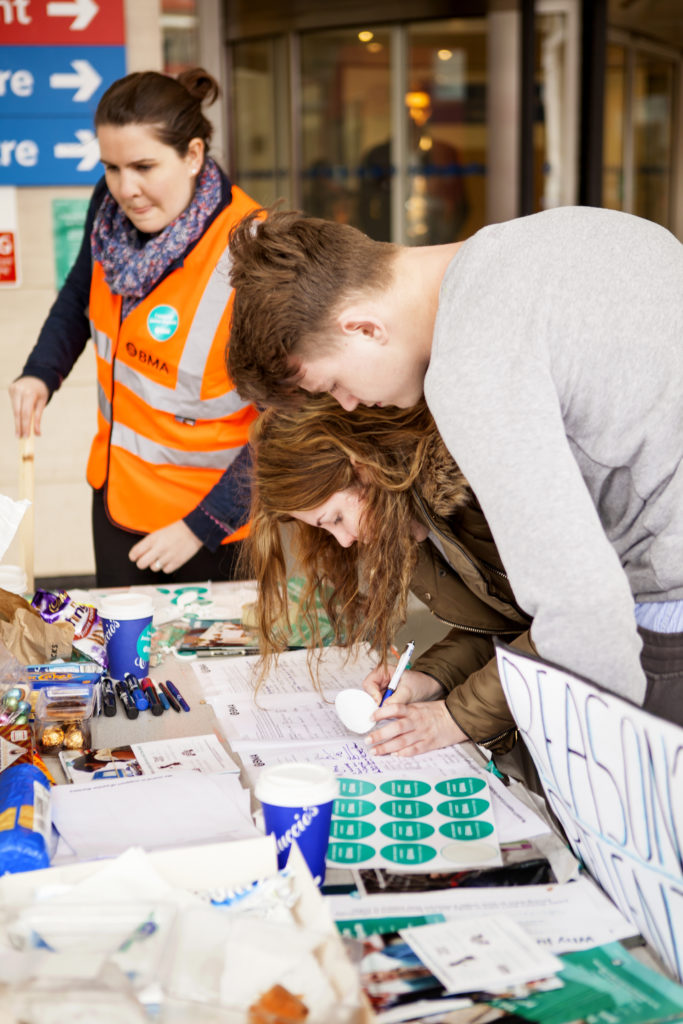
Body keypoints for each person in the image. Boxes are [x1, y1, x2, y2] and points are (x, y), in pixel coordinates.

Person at [227, 206, 683, 724]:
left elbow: (581, 612)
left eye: (332, 384)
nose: (347, 406)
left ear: (363, 327)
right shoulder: (570, 233)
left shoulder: (469, 370)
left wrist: (607, 770)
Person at [10, 68, 260, 587]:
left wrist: (202, 525)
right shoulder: (106, 208)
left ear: (193, 155)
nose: (126, 189)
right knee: (124, 662)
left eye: (144, 166)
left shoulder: (256, 250)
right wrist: (41, 373)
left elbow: (291, 424)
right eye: (111, 167)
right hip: (116, 499)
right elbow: (81, 294)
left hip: (213, 526)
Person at [248, 396, 532, 759]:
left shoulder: (478, 493)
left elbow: (562, 628)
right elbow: (505, 624)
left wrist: (454, 717)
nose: (345, 541)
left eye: (336, 519)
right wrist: (430, 679)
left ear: (363, 470)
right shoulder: (411, 524)